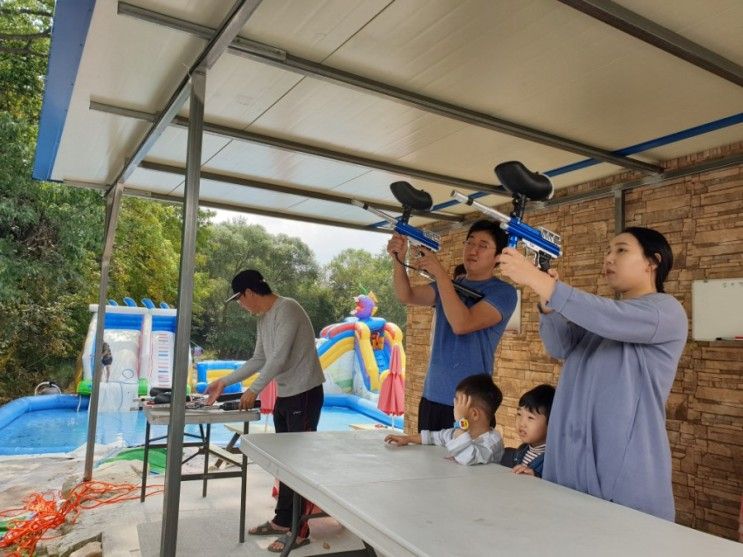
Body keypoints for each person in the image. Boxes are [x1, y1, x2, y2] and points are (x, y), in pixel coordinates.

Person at [498, 227, 687, 521]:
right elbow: (560, 346)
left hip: (622, 474)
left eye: (621, 250)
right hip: (570, 466)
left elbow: (610, 318)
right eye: (608, 251)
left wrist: (536, 279)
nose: (609, 258)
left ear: (653, 262)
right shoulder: (603, 317)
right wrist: (548, 305)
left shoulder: (665, 311)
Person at [205, 269, 325, 553]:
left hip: (305, 394)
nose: (241, 305)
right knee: (285, 463)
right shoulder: (264, 319)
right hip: (286, 395)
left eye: (239, 300)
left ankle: (300, 530)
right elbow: (259, 359)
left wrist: (254, 389)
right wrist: (225, 381)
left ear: (248, 293)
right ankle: (283, 521)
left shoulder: (288, 309)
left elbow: (279, 358)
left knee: (298, 465)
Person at [388, 220, 517, 433]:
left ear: (498, 257)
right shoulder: (448, 286)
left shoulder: (503, 293)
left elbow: (462, 323)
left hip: (470, 404)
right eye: (470, 242)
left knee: (463, 464)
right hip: (432, 396)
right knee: (428, 464)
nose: (473, 250)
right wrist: (398, 259)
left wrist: (440, 274)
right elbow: (406, 295)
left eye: (483, 245)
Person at [384, 374, 505, 465]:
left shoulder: (493, 442)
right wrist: (407, 439)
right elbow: (436, 437)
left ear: (474, 414)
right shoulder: (461, 433)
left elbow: (468, 457)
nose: (454, 407)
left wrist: (459, 422)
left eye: (458, 403)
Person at [500, 384, 555, 477]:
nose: (522, 423)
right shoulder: (521, 450)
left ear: (551, 423)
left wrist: (536, 477)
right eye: (519, 414)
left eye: (530, 417)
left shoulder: (553, 460)